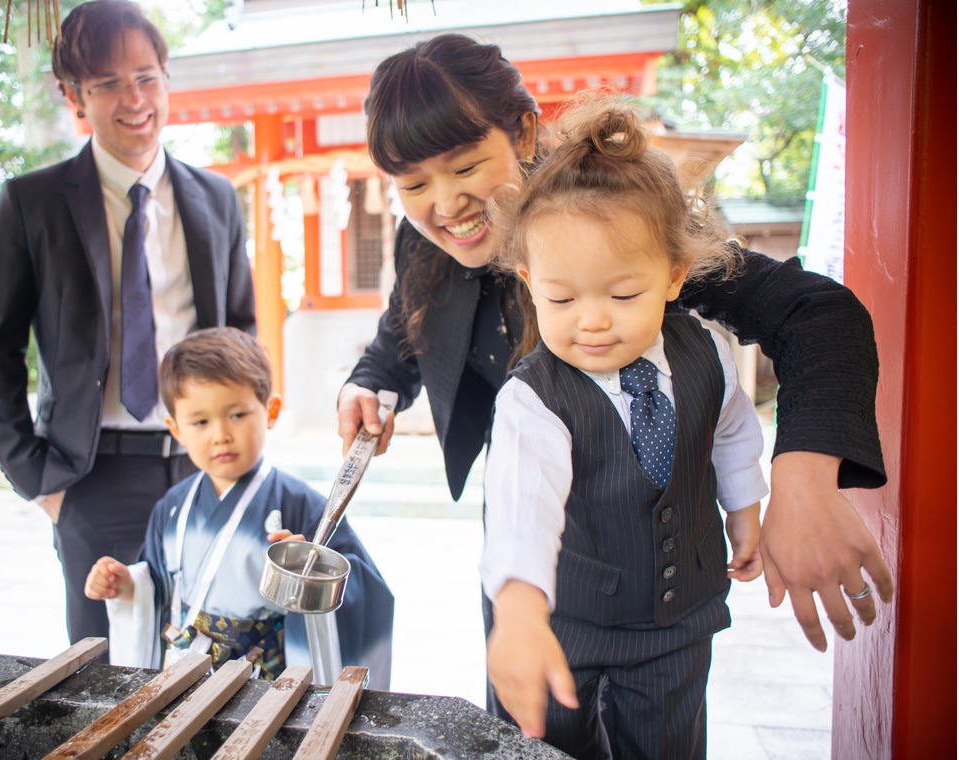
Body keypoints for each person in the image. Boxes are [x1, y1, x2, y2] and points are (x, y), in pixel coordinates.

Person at [338, 33, 891, 665]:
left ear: (521, 133)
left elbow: (815, 312)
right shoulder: (422, 244)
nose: (445, 204)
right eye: (413, 185)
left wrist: (804, 480)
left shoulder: (615, 215)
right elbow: (398, 339)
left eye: (465, 167)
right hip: (523, 543)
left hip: (644, 567)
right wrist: (366, 383)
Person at [481, 96, 768, 758]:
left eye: (621, 294)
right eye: (561, 297)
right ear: (529, 281)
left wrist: (744, 506)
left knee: (668, 740)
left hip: (679, 624)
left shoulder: (706, 353)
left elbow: (729, 432)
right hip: (568, 623)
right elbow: (523, 511)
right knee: (549, 740)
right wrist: (520, 613)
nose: (592, 320)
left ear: (671, 276)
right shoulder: (535, 399)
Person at [0, 0, 256, 646]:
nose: (134, 99)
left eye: (147, 76)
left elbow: (241, 334)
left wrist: (239, 452)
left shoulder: (215, 198)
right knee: (102, 673)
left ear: (165, 78)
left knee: (215, 658)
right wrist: (43, 485)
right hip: (90, 477)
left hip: (201, 465)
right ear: (75, 95)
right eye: (108, 84)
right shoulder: (31, 204)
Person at [84, 327, 394, 688]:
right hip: (184, 675)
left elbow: (363, 590)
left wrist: (311, 578)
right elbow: (157, 589)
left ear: (271, 411)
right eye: (200, 421)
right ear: (175, 429)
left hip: (266, 685)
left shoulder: (302, 506)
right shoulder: (173, 507)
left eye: (237, 415)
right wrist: (127, 586)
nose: (220, 435)